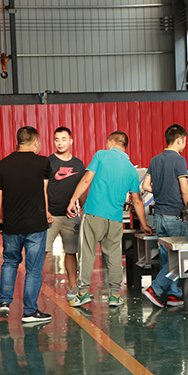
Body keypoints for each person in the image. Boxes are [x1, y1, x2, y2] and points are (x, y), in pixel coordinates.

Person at [66, 131, 153, 308]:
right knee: (113, 256)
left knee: (87, 253)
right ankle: (114, 295)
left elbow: (86, 180)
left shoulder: (101, 155)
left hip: (93, 214)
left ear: (111, 142)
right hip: (115, 219)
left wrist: (72, 200)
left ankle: (82, 293)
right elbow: (137, 200)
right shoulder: (131, 169)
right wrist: (144, 224)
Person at [0, 126, 53, 323]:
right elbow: (44, 190)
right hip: (36, 226)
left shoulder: (3, 164)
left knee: (10, 263)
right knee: (33, 269)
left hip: (11, 226)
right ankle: (29, 311)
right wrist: (47, 212)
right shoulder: (43, 163)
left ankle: (4, 303)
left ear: (18, 142)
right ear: (35, 142)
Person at [141, 124, 188, 308]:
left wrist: (161, 192)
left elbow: (145, 185)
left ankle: (173, 294)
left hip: (159, 217)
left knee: (167, 259)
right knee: (177, 260)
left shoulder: (155, 160)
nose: (184, 145)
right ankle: (155, 288)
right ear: (179, 140)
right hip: (175, 216)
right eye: (184, 141)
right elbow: (184, 190)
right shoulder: (179, 160)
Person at [45, 127, 86, 301]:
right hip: (50, 217)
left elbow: (82, 190)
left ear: (71, 141)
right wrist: (45, 211)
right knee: (42, 252)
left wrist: (85, 211)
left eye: (63, 139)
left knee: (71, 252)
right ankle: (33, 288)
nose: (60, 142)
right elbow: (42, 189)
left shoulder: (78, 164)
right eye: (56, 139)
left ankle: (72, 288)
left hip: (71, 217)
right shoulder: (48, 162)